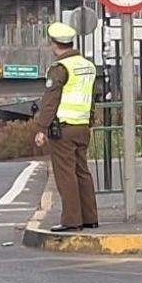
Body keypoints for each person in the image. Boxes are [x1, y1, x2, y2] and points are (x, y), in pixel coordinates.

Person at [33, 21, 98, 233]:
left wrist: (42, 128)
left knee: (65, 174)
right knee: (82, 172)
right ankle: (90, 217)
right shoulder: (87, 65)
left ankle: (71, 220)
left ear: (55, 45)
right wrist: (90, 122)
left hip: (63, 129)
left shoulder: (60, 68)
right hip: (82, 127)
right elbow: (90, 98)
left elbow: (51, 100)